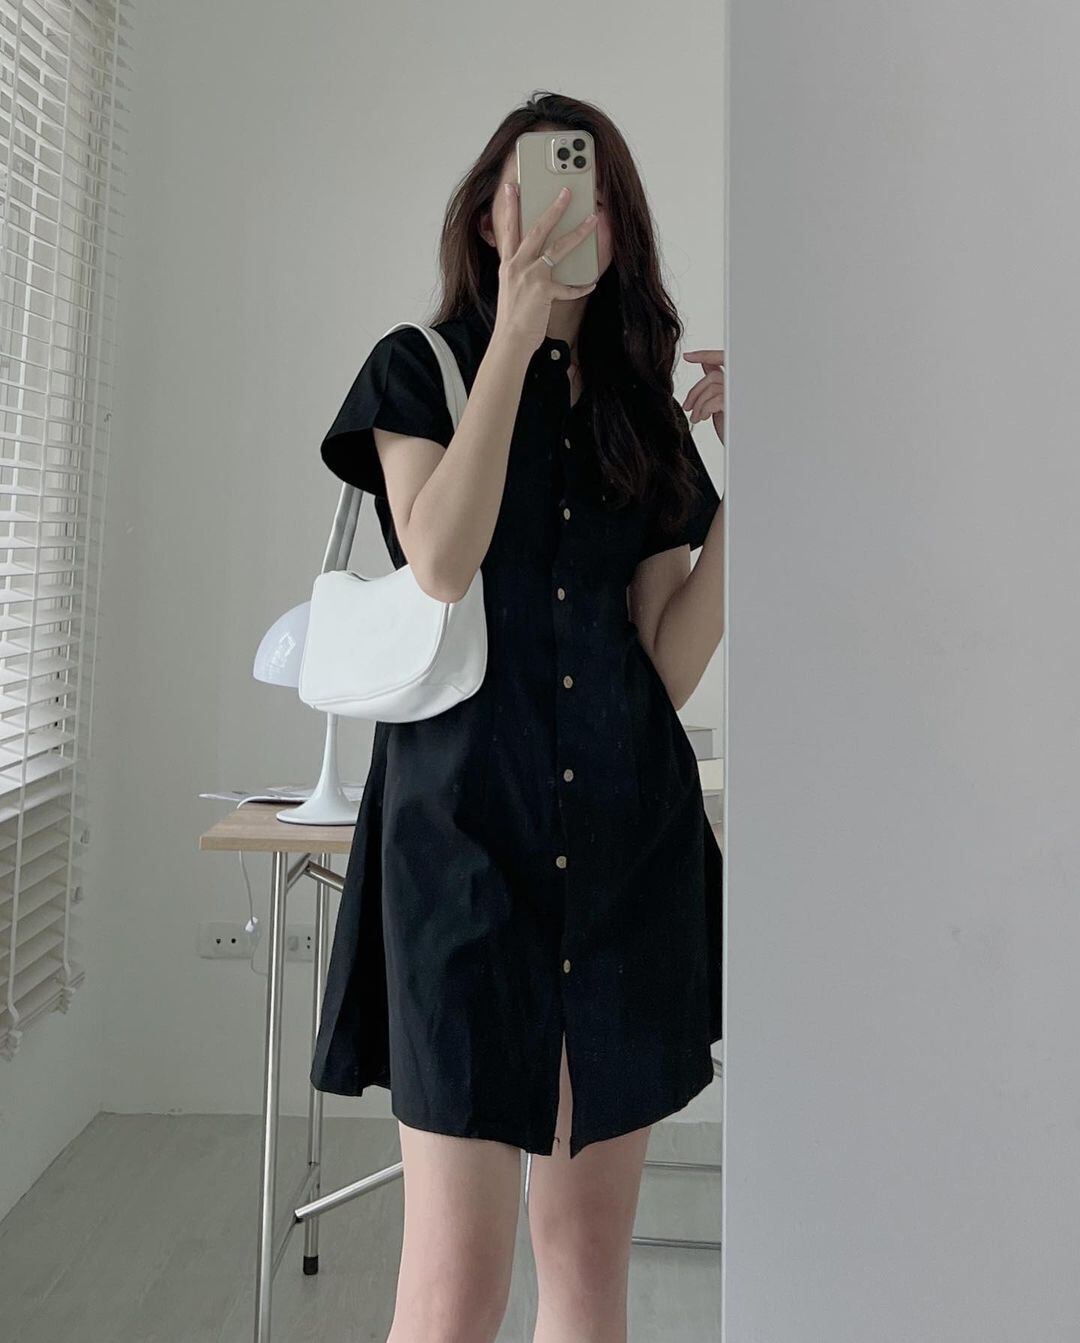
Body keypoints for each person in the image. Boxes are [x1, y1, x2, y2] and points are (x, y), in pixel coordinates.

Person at [309, 92, 726, 1343]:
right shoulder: (419, 368)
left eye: (584, 189)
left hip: (624, 856)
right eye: (529, 185)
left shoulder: (641, 407)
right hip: (462, 860)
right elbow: (440, 560)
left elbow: (667, 663)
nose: (555, 208)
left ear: (617, 222)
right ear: (489, 217)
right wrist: (514, 342)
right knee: (453, 1292)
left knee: (589, 1271)